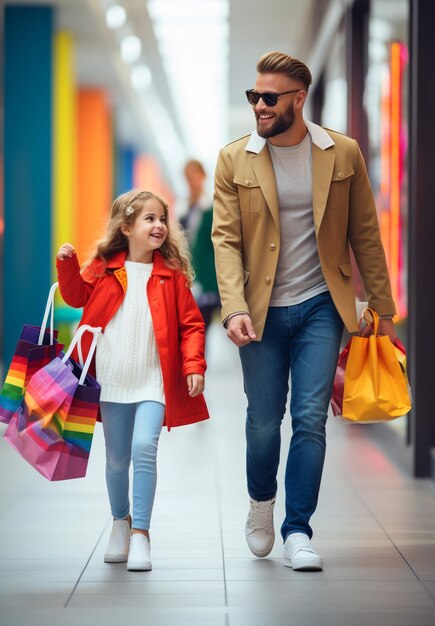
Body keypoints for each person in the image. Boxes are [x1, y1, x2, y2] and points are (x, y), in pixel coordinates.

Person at [212, 51, 397, 571]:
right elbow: (224, 241)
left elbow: (365, 234)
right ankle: (260, 504)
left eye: (270, 98)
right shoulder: (235, 159)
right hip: (259, 310)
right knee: (265, 421)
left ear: (299, 99)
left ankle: (298, 528)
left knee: (311, 418)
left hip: (322, 305)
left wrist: (381, 307)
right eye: (254, 97)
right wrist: (232, 309)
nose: (260, 107)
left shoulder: (342, 154)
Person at [56, 189, 209, 572]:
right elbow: (75, 297)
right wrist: (68, 264)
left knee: (144, 448)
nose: (159, 226)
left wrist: (193, 365)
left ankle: (141, 532)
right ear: (126, 227)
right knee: (117, 458)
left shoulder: (171, 276)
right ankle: (119, 523)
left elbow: (191, 325)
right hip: (110, 379)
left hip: (154, 380)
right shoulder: (103, 267)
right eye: (149, 219)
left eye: (162, 219)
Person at [179, 159, 220, 330]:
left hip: (208, 275)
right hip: (188, 274)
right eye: (188, 176)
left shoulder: (212, 207)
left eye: (195, 175)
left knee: (204, 324)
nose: (192, 180)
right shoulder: (183, 209)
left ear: (203, 176)